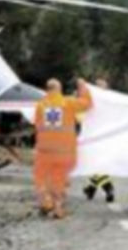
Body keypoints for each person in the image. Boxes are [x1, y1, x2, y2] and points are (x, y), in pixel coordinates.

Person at [34, 78, 92, 219]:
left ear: (47, 90)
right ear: (59, 89)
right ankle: (58, 209)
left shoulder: (40, 105)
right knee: (59, 179)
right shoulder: (68, 102)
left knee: (43, 178)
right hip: (63, 151)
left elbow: (37, 125)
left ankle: (46, 204)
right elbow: (87, 104)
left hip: (44, 151)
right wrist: (83, 88)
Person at [83, 78, 115, 203]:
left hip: (97, 137)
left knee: (96, 164)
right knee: (97, 164)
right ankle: (90, 189)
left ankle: (108, 188)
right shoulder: (111, 100)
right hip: (105, 136)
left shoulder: (93, 100)